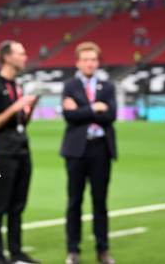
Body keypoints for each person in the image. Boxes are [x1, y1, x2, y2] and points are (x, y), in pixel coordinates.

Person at [61, 42, 117, 264]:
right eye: (85, 59)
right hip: (76, 151)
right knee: (75, 201)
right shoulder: (70, 85)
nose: (89, 63)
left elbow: (111, 115)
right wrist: (95, 108)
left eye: (93, 59)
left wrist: (81, 110)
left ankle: (102, 250)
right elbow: (69, 116)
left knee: (100, 202)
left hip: (101, 149)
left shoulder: (108, 86)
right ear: (78, 62)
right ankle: (73, 250)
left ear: (98, 62)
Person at [0, 40, 40, 264]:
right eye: (21, 53)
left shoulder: (17, 86)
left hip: (23, 152)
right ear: (7, 57)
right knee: (0, 208)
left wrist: (29, 109)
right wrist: (15, 107)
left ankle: (17, 253)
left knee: (18, 206)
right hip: (5, 156)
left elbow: (21, 123)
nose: (25, 57)